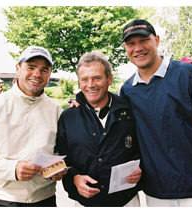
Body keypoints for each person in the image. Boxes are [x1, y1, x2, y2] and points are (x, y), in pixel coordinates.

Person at [120, 19, 192, 207]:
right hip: (156, 193)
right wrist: (79, 105)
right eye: (131, 43)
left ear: (156, 40)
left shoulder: (189, 75)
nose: (137, 48)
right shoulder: (127, 90)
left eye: (143, 40)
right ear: (125, 48)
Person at [0, 46, 66, 207]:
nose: (37, 74)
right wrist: (12, 168)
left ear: (50, 74)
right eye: (30, 67)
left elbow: (60, 150)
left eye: (44, 69)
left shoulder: (56, 110)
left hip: (46, 200)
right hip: (3, 201)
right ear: (18, 69)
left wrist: (58, 169)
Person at [56, 51, 142, 207]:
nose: (90, 85)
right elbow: (62, 159)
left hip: (127, 202)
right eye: (84, 79)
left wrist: (140, 169)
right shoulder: (68, 117)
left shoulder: (130, 112)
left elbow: (145, 148)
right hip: (85, 204)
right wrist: (74, 177)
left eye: (97, 78)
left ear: (109, 79)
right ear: (79, 82)